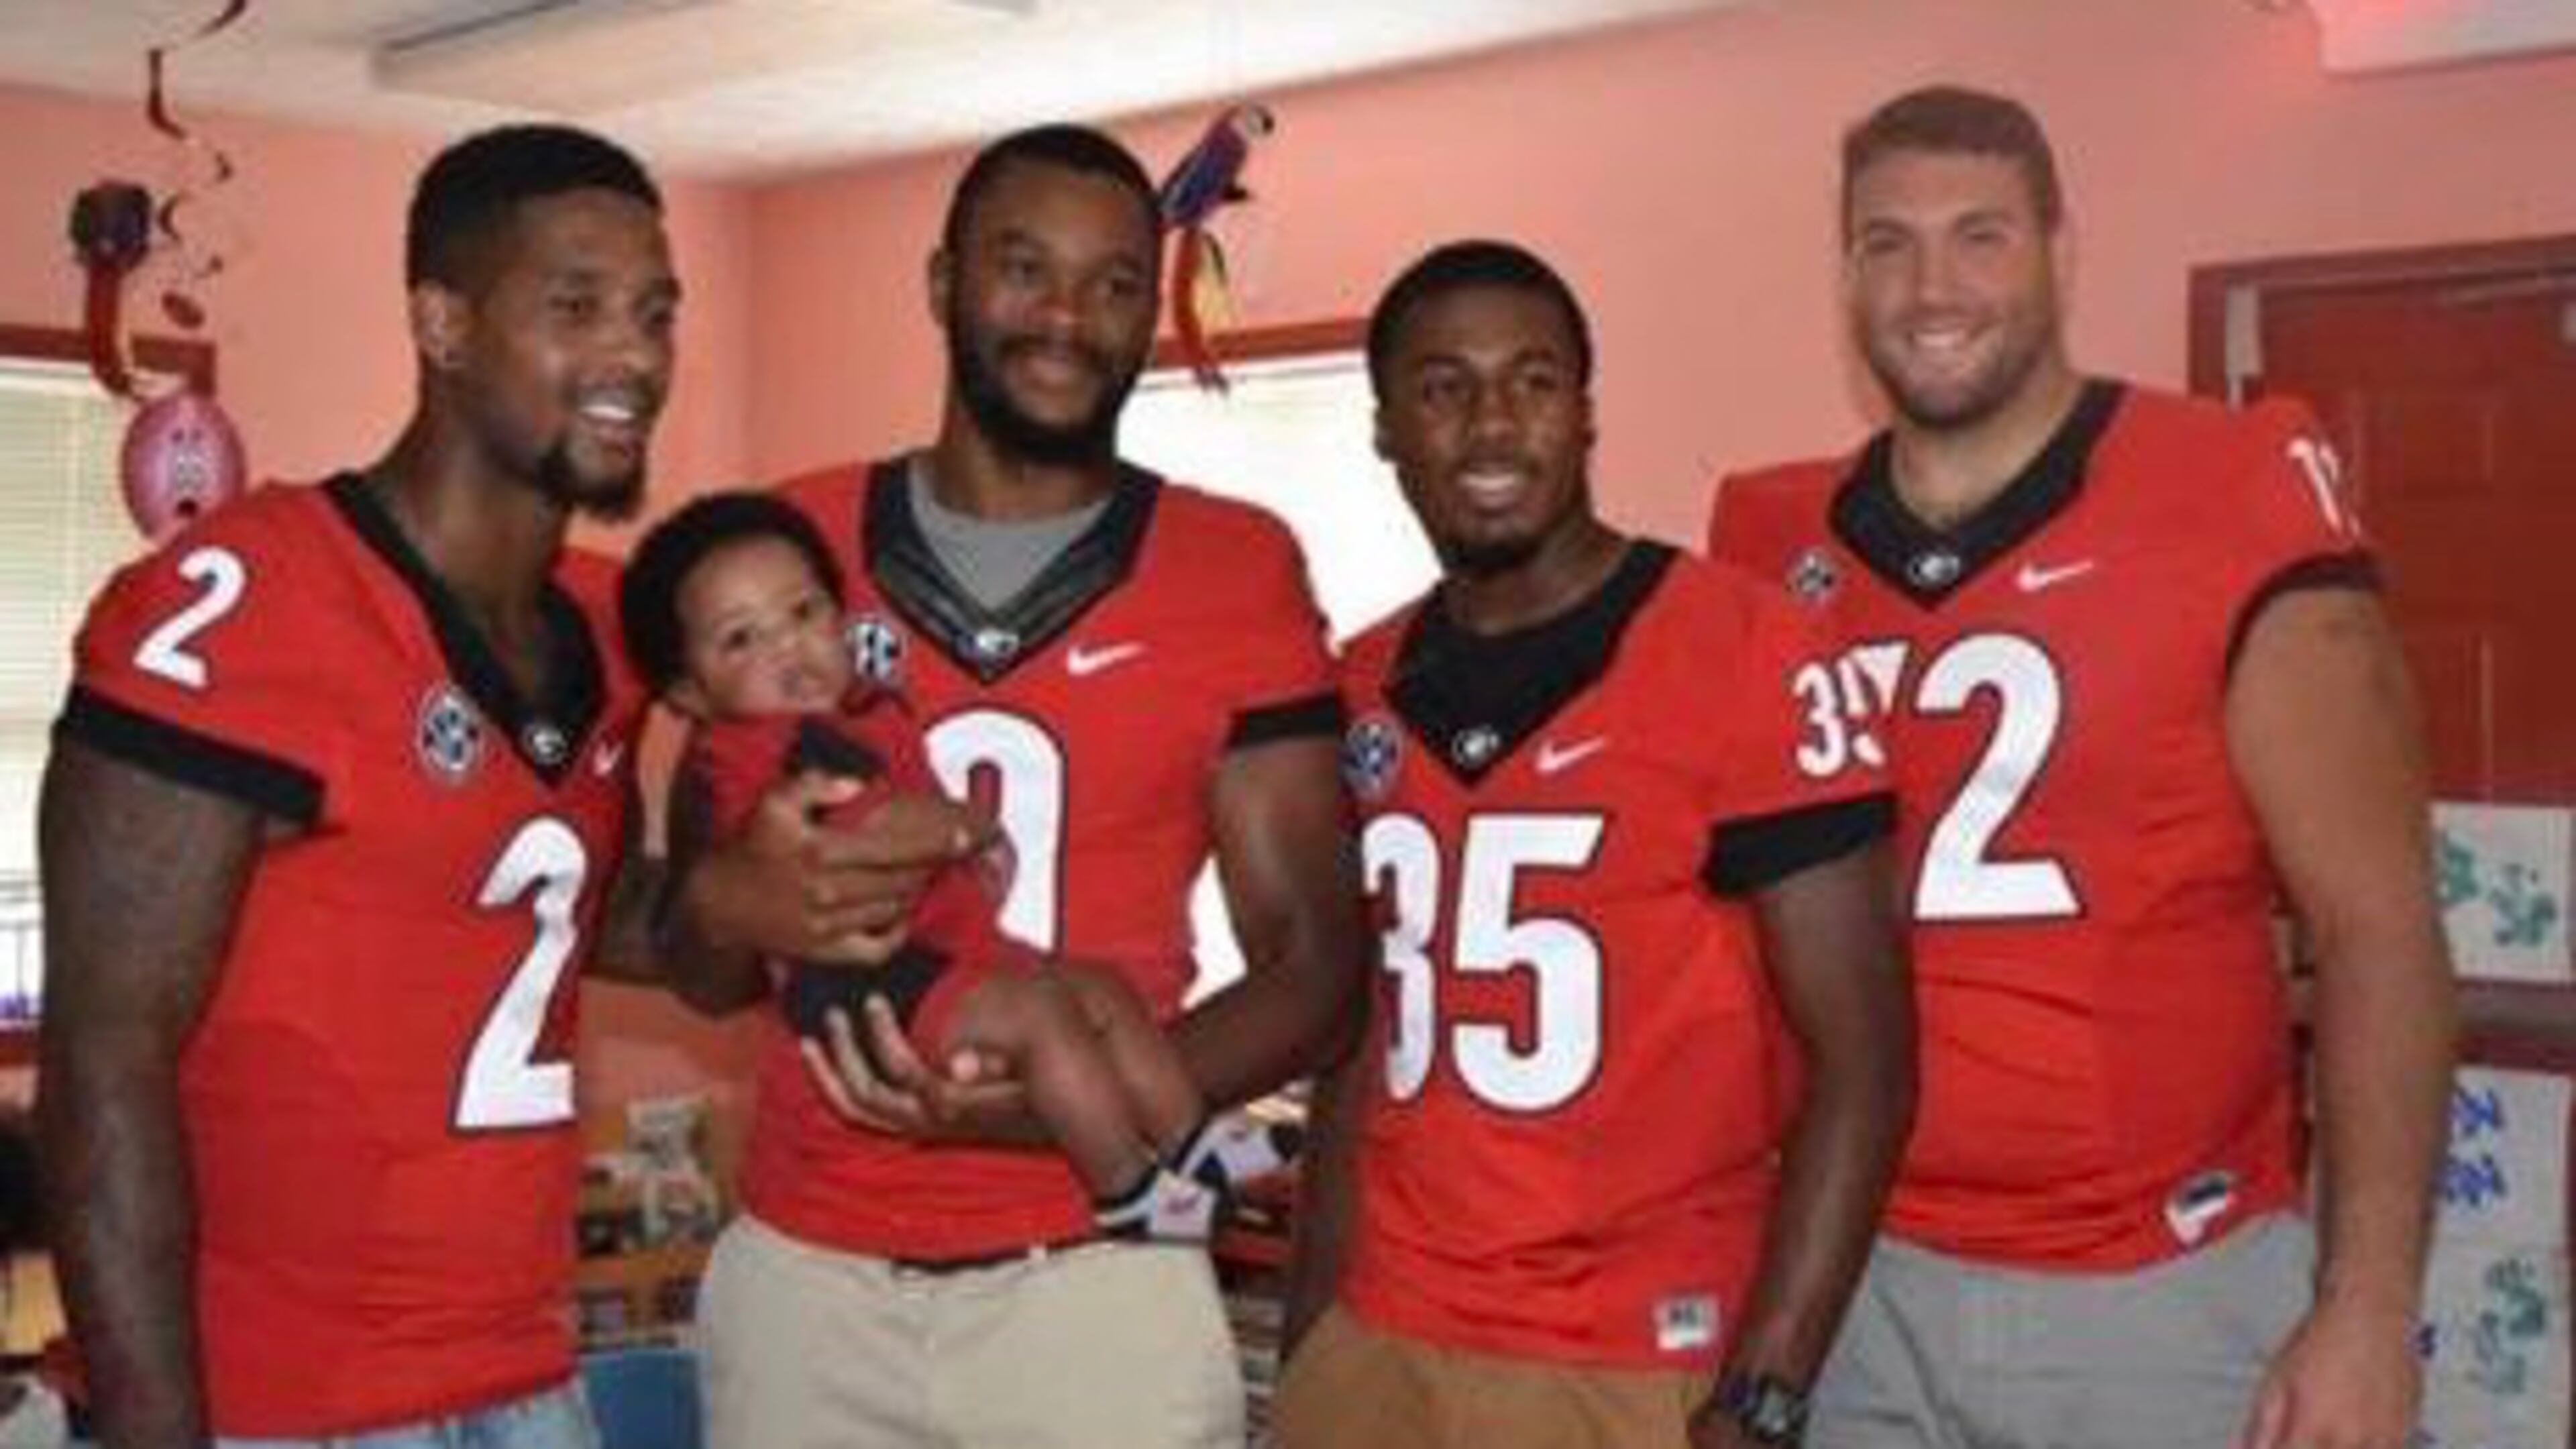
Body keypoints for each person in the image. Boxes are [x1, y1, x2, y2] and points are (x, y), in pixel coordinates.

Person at [34, 123, 954, 1449]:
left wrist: (759, 898)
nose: (634, 356)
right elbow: (101, 1057)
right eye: (576, 308)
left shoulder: (616, 629)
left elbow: (598, 914)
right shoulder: (246, 603)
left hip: (525, 1380)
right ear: (444, 324)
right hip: (273, 1407)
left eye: (655, 313)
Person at [1705, 86, 2455, 1449]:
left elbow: (2380, 926)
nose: (1933, 288)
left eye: (1981, 235)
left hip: (2154, 1284)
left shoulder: (2226, 485)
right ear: (1845, 272)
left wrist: (2367, 1307)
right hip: (1847, 1272)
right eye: (1886, 243)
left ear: (2061, 248)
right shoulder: (1768, 538)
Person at [668, 123, 1369, 1449]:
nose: (1066, 317)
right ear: (944, 284)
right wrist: (732, 899)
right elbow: (694, 955)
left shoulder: (1232, 565)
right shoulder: (784, 549)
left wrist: (1060, 1111)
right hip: (812, 1281)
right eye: (1025, 268)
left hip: (1095, 1281)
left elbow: (1317, 968)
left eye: (1115, 283)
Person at [1276, 239, 1915, 1449]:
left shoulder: (1750, 647)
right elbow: (1356, 1048)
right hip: (1383, 1339)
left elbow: (1867, 1062)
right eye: (1444, 387)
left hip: (1632, 1353)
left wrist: (1763, 1397)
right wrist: (1311, 1346)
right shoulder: (1357, 682)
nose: (1493, 424)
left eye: (1533, 381)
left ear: (1585, 413)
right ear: (1386, 430)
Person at [619, 490, 1297, 1242]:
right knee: (1046, 1018)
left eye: (805, 614)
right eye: (742, 640)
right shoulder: (765, 747)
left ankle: (1193, 1139)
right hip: (874, 990)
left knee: (1103, 991)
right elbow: (864, 830)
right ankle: (1125, 1190)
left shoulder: (858, 716)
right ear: (690, 692)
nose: (789, 650)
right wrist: (965, 828)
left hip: (948, 958)